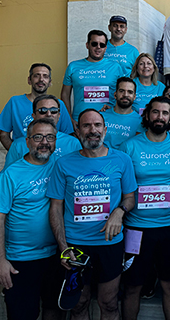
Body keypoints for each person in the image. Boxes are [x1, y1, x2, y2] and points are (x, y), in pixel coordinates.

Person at [46, 109, 137, 320]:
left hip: (110, 244)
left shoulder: (122, 160)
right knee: (79, 304)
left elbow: (130, 198)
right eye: (86, 126)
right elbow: (56, 208)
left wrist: (119, 211)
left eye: (97, 125)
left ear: (105, 129)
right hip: (76, 245)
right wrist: (63, 247)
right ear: (77, 131)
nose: (92, 130)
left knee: (109, 303)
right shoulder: (63, 164)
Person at [120, 97, 170, 320]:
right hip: (136, 229)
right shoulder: (130, 146)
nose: (160, 117)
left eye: (165, 113)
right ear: (147, 115)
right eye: (156, 112)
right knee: (132, 287)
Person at [0, 118, 64, 320]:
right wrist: (0, 261)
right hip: (20, 260)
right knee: (23, 315)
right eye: (38, 137)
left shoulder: (60, 167)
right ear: (27, 141)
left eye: (50, 137)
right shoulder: (10, 175)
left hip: (55, 256)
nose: (44, 142)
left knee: (54, 309)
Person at [0, 63, 74, 149]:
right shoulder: (15, 102)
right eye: (37, 76)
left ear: (50, 82)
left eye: (45, 76)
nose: (41, 79)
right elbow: (3, 135)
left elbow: (68, 136)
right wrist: (16, 154)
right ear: (29, 80)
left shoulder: (59, 105)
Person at [61, 30, 125, 123]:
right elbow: (65, 95)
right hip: (80, 121)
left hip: (109, 120)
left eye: (102, 45)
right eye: (94, 44)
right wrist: (69, 119)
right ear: (87, 45)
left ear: (106, 47)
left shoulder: (116, 67)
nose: (98, 47)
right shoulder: (73, 66)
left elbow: (123, 93)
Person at [4, 95, 82, 168]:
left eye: (53, 110)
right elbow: (9, 176)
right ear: (33, 116)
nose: (48, 114)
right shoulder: (18, 145)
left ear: (59, 116)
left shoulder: (73, 143)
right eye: (42, 110)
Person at [102, 78, 144, 150]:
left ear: (134, 97)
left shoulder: (140, 122)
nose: (125, 95)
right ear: (115, 95)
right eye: (122, 91)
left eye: (130, 92)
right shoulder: (101, 116)